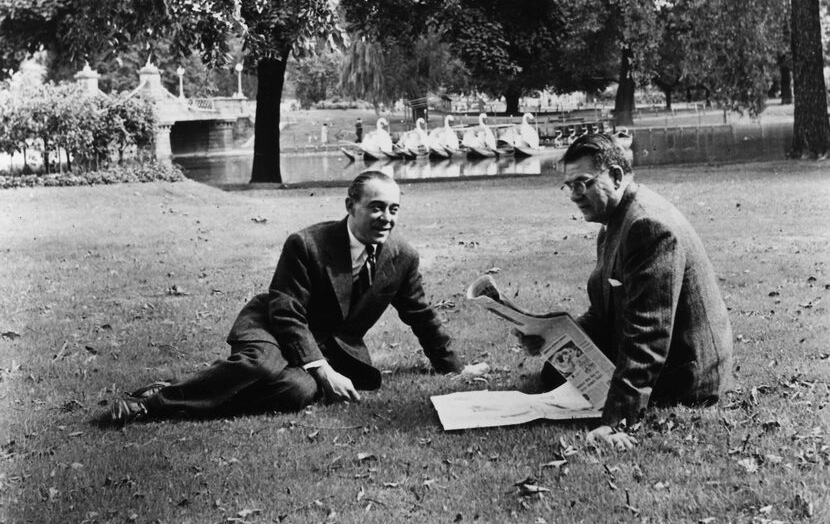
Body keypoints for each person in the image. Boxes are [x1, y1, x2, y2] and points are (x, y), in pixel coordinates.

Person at [108, 171, 464, 423]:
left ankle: (189, 393)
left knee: (296, 392)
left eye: (393, 209)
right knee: (261, 364)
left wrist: (454, 368)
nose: (386, 218)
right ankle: (155, 403)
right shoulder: (307, 244)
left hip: (328, 346)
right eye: (376, 207)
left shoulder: (402, 256)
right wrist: (324, 372)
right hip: (272, 326)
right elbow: (287, 312)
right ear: (350, 206)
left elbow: (421, 314)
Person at [519, 133, 733, 451]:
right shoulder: (614, 223)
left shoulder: (646, 225)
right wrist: (552, 334)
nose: (574, 195)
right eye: (569, 186)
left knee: (564, 383)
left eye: (583, 183)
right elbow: (605, 312)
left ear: (616, 176)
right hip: (664, 355)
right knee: (553, 372)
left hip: (686, 376)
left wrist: (616, 421)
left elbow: (649, 334)